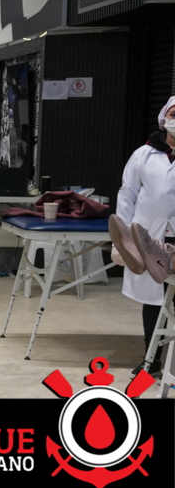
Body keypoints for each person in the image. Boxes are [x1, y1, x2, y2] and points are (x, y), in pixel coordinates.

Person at [109, 96, 175, 376]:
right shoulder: (143, 154)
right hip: (149, 237)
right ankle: (152, 359)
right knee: (155, 299)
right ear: (164, 117)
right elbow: (127, 195)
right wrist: (122, 241)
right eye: (174, 113)